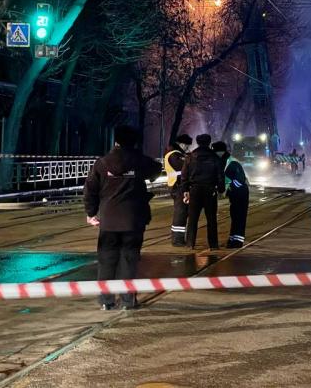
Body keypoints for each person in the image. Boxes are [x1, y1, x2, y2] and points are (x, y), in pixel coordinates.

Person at [84, 125, 162, 310]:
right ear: (134, 142)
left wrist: (90, 213)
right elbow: (156, 170)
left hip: (108, 220)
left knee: (106, 261)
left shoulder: (102, 163)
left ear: (115, 140)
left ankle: (106, 301)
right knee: (129, 260)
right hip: (134, 220)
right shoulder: (139, 160)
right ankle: (128, 301)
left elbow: (90, 190)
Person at [181, 134, 225, 250]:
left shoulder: (190, 157)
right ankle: (213, 244)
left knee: (192, 219)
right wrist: (221, 189)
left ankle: (190, 243)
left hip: (194, 190)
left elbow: (184, 175)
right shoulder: (215, 158)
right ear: (209, 142)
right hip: (210, 190)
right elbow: (220, 176)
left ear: (198, 142)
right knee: (211, 219)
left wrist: (185, 190)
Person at [212, 141, 250, 248]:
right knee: (234, 215)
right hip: (235, 193)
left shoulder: (232, 163)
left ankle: (237, 241)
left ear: (220, 152)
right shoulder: (224, 161)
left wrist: (229, 189)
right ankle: (232, 238)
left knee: (239, 216)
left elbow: (240, 180)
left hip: (240, 193)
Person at [164, 134, 193, 246]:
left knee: (182, 212)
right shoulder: (175, 155)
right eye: (187, 145)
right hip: (178, 186)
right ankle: (177, 240)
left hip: (178, 185)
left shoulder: (177, 154)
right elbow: (184, 168)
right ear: (182, 144)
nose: (187, 147)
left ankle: (178, 239)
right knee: (180, 213)